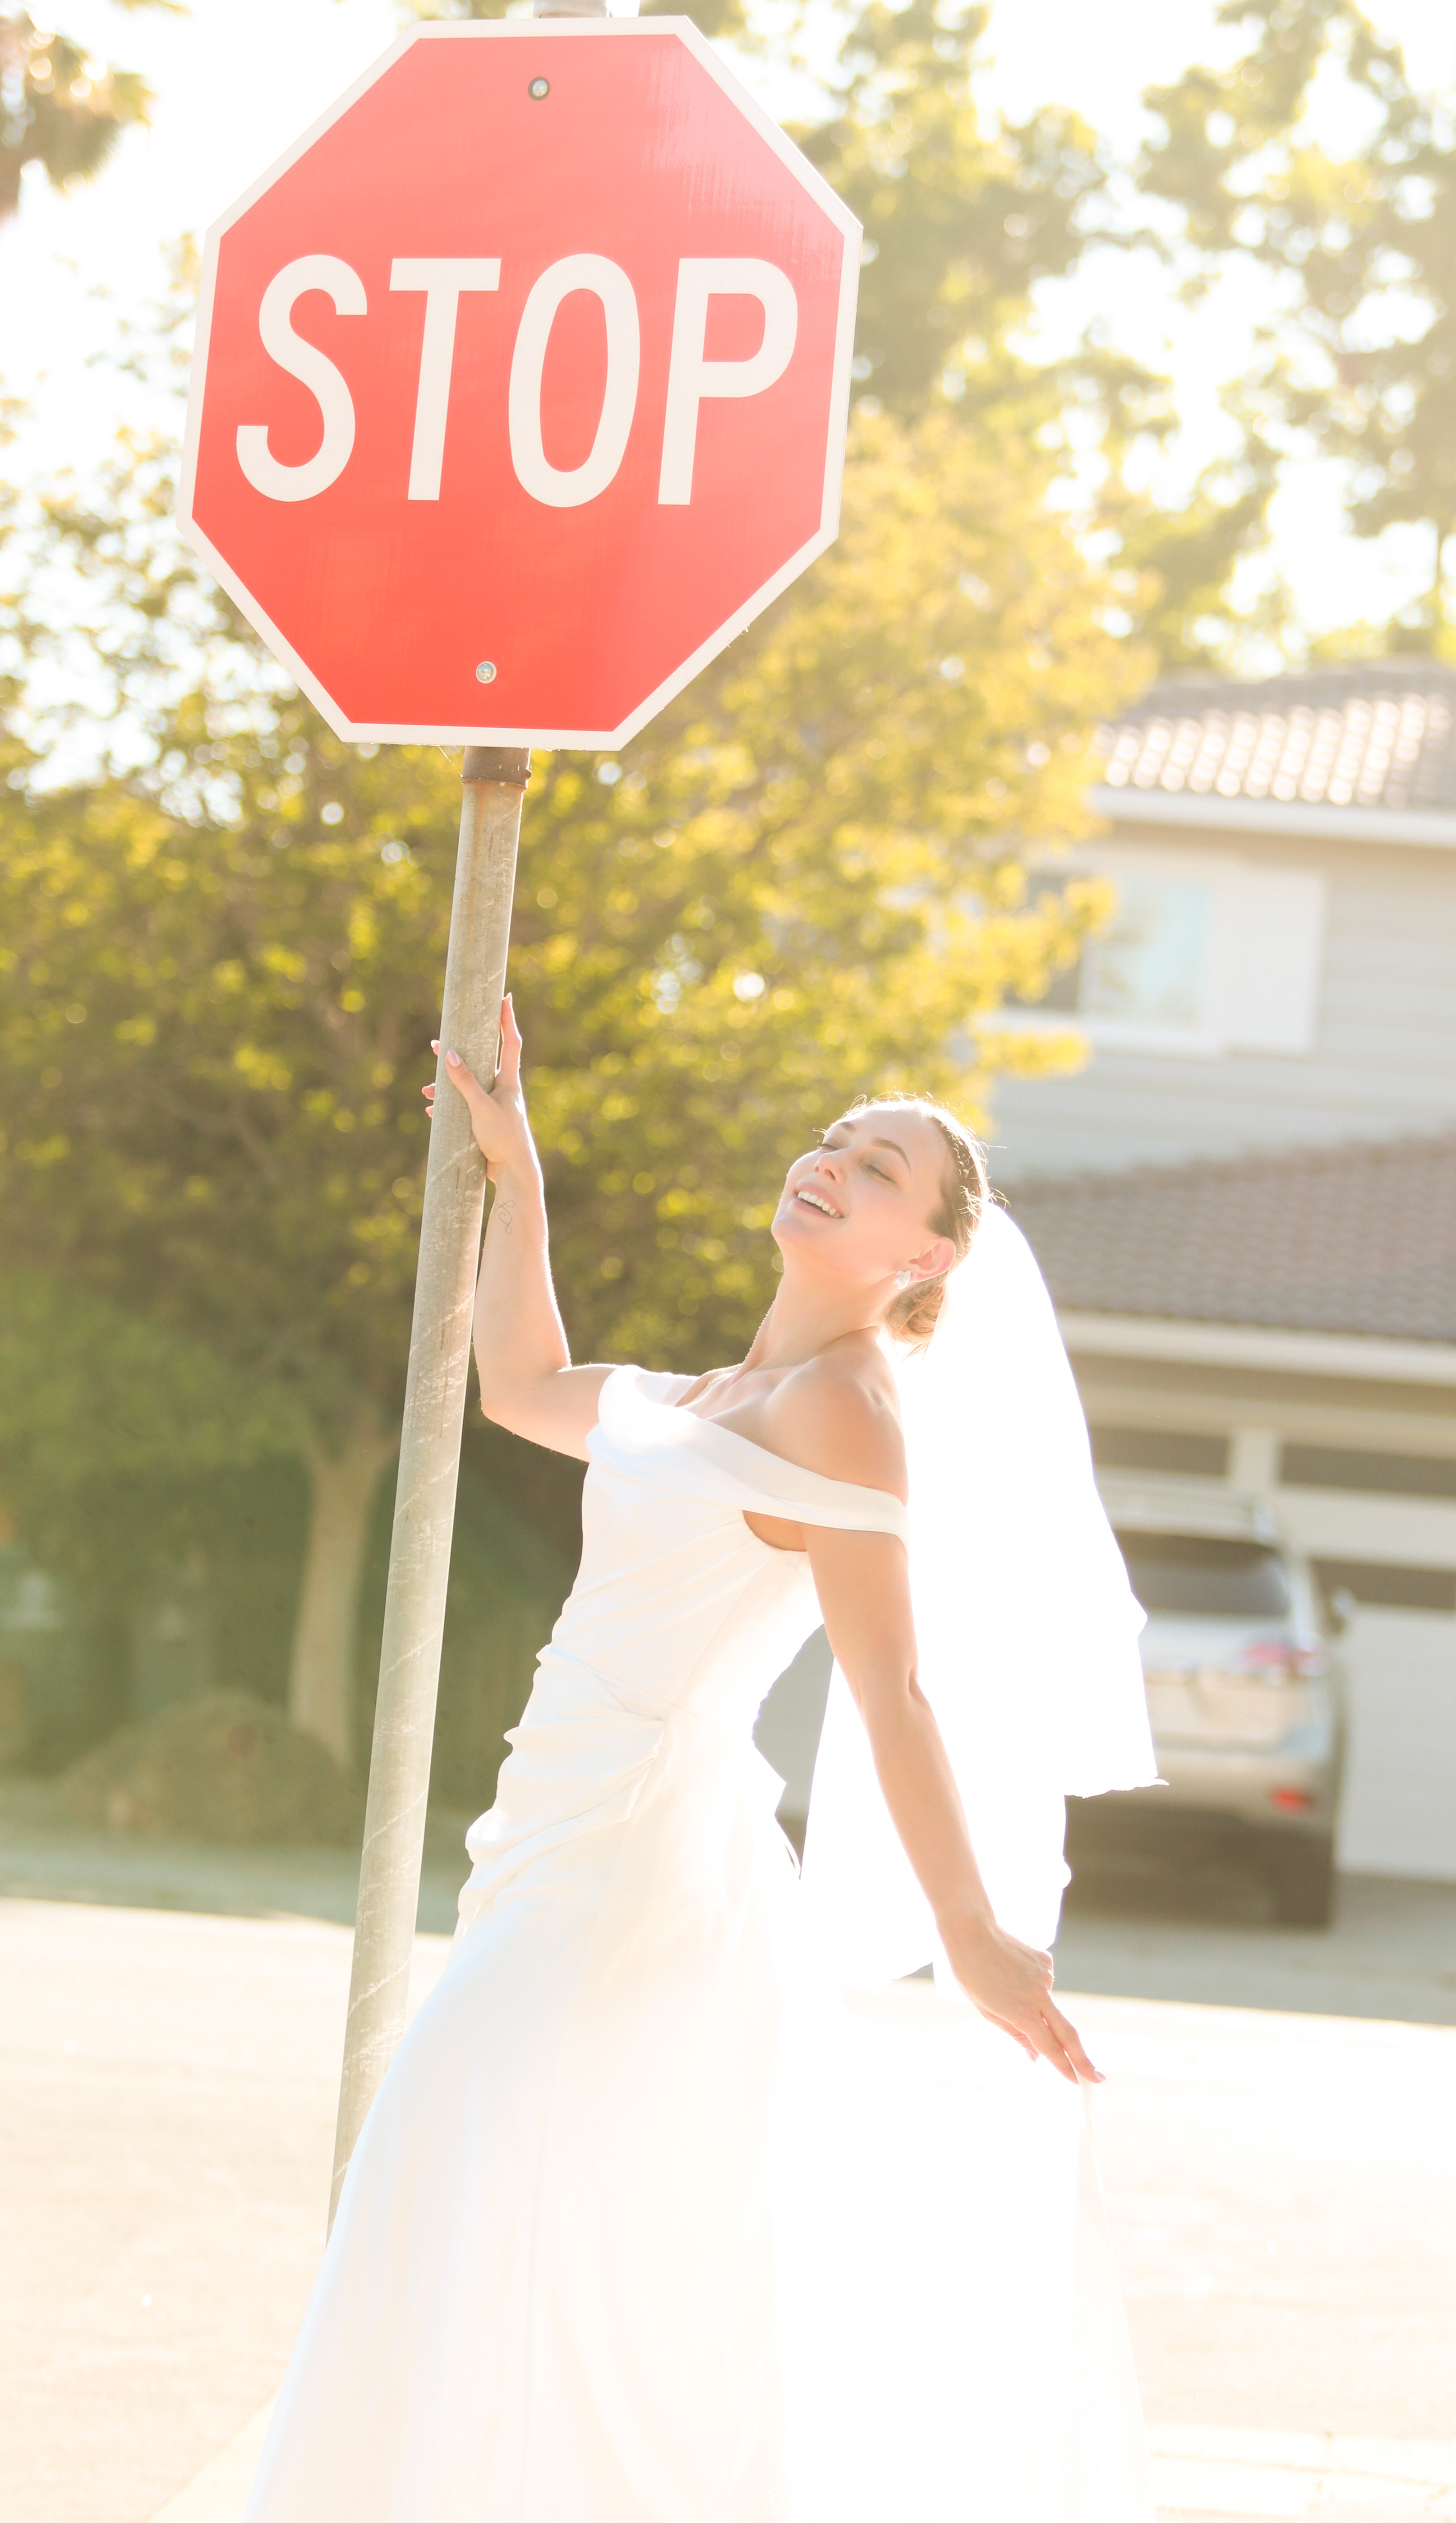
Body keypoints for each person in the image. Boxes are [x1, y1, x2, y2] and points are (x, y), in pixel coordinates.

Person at [244, 998, 1157, 2523]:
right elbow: (522, 1386)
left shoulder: (852, 1411)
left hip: (639, 1862)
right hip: (547, 1827)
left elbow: (894, 1691)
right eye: (834, 1142)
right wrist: (516, 1173)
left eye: (875, 1171)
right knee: (544, 2228)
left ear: (922, 1257)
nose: (829, 1165)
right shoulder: (703, 1398)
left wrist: (972, 1931)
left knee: (456, 2148)